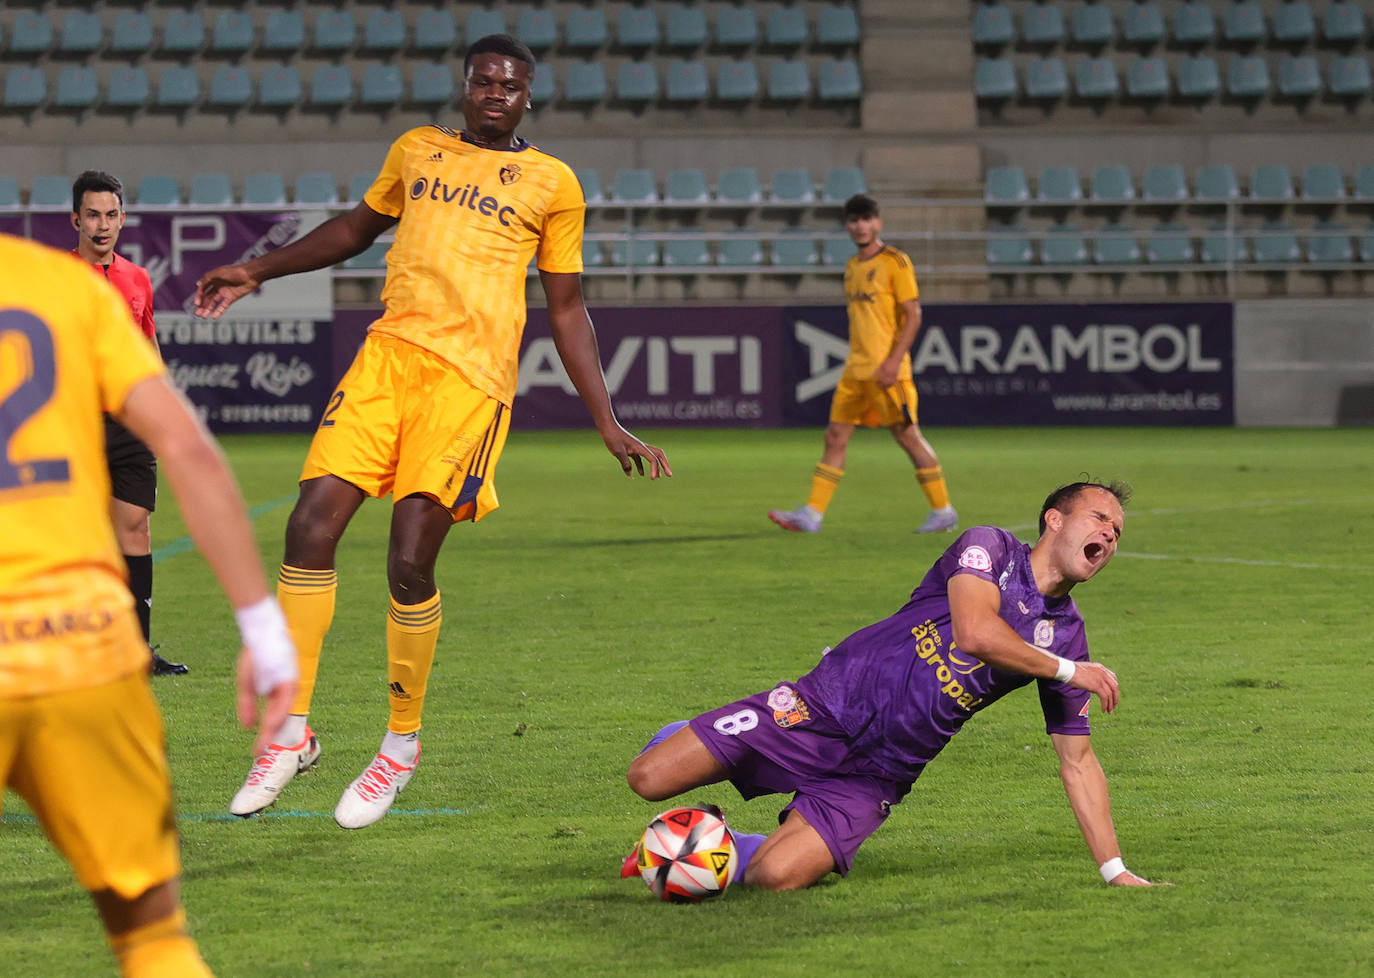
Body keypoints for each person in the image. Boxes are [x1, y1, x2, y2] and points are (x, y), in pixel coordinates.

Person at [194, 34, 671, 830]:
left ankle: (399, 746)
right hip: (386, 360)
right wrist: (255, 269)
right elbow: (353, 229)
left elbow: (566, 308)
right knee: (308, 525)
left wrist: (606, 418)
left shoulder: (553, 183)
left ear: (528, 97)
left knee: (409, 560)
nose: (495, 93)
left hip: (469, 385)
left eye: (510, 85)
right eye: (484, 81)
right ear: (465, 86)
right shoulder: (416, 152)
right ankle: (289, 733)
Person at [0, 232, 298, 976]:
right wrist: (264, 629)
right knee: (153, 937)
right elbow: (188, 446)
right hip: (83, 645)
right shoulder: (61, 286)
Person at [627, 481, 1157, 891]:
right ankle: (700, 743)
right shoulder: (989, 547)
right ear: (1055, 519)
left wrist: (1115, 870)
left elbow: (1079, 760)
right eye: (1101, 518)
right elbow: (975, 632)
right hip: (822, 708)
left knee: (773, 878)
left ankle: (721, 840)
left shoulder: (1066, 635)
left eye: (1118, 532)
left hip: (881, 772)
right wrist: (1066, 671)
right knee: (647, 777)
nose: (1110, 534)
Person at [769, 193, 956, 535]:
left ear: (877, 222)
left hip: (888, 370)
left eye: (866, 219)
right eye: (854, 220)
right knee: (835, 436)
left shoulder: (896, 262)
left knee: (908, 436)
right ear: (848, 225)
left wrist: (893, 361)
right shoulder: (853, 267)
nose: (860, 226)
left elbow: (913, 315)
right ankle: (812, 514)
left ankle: (943, 509)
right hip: (855, 370)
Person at [70, 169, 188, 676]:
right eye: (92, 215)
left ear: (123, 218)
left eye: (111, 214)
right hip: (74, 421)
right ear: (75, 219)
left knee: (135, 528)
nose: (102, 224)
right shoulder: (58, 277)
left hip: (129, 422)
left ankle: (138, 652)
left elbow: (146, 343)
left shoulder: (138, 278)